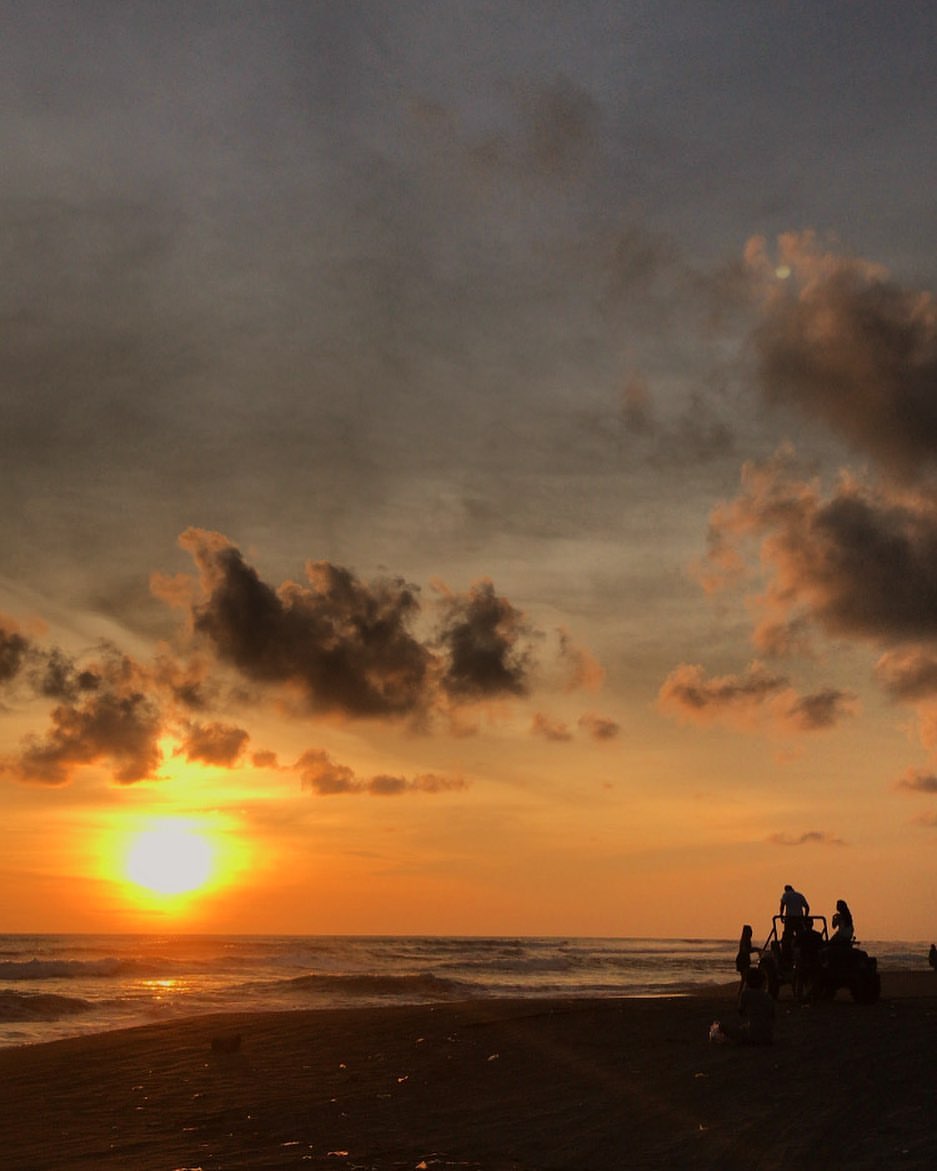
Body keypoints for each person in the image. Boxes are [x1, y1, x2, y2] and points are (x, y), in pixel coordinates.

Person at [712, 967, 775, 1045]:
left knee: (723, 1026)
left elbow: (741, 1012)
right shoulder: (768, 996)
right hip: (767, 1036)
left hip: (752, 1034)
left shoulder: (746, 994)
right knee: (746, 1027)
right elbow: (772, 1016)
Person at [779, 883, 810, 957]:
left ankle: (787, 954)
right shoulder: (799, 895)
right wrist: (805, 918)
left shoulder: (786, 895)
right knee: (801, 936)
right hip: (799, 919)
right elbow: (807, 907)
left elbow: (782, 904)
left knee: (787, 937)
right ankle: (802, 953)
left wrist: (781, 915)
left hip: (790, 919)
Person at [735, 924, 761, 994]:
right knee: (745, 978)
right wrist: (755, 949)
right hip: (742, 960)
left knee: (745, 978)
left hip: (743, 960)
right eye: (750, 931)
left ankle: (742, 992)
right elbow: (745, 950)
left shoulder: (746, 940)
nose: (751, 933)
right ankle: (742, 992)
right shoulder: (745, 940)